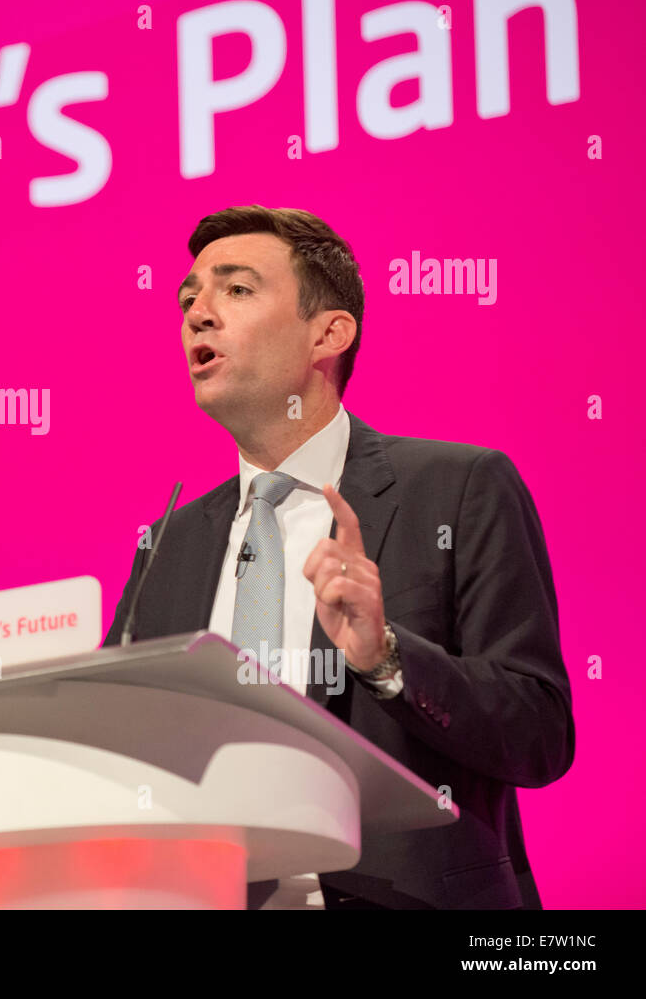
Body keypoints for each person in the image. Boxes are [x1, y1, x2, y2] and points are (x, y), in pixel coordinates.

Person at [101, 206, 574, 909]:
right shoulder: (166, 543)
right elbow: (112, 758)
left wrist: (385, 657)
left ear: (330, 332)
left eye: (235, 289)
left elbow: (538, 734)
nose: (198, 312)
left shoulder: (458, 488)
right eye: (188, 296)